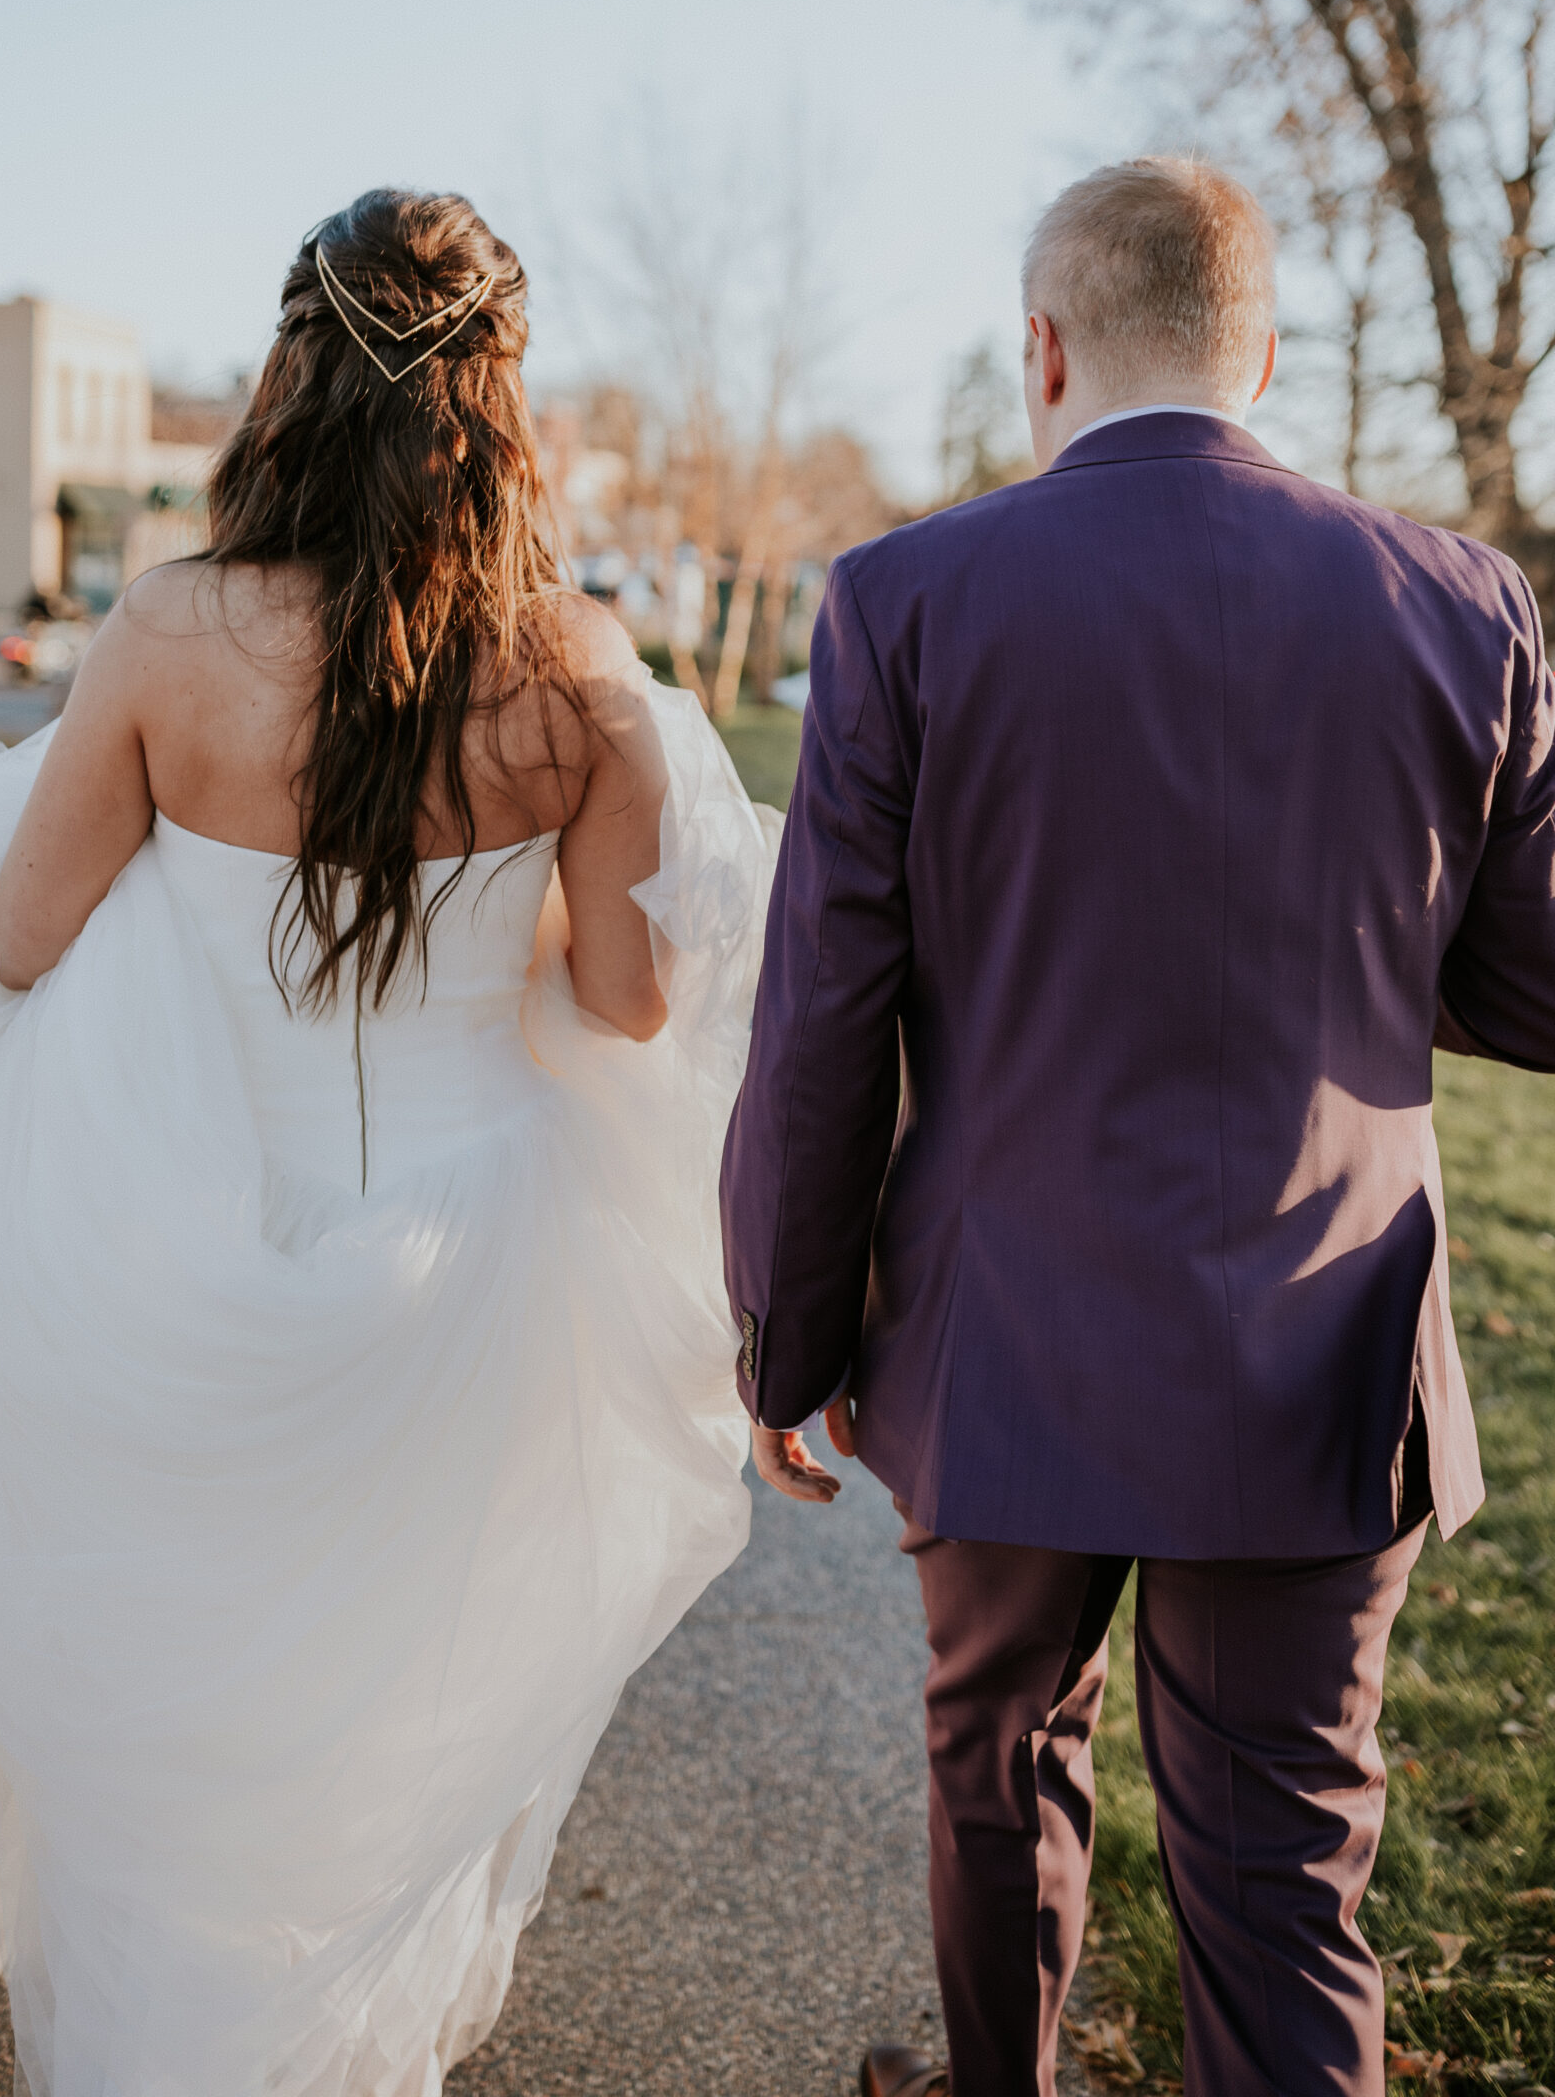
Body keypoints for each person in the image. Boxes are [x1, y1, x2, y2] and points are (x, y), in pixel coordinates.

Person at [0, 190, 772, 2097]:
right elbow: (624, 1001)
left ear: (290, 372)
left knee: (161, 1721)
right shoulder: (576, 665)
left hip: (160, 1246)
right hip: (466, 1271)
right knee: (376, 1721)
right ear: (509, 397)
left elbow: (22, 938)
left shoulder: (174, 630)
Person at [721, 158, 1555, 2097]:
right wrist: (1343, 925)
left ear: (1042, 349)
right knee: (1283, 1862)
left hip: (1003, 1331)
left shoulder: (907, 597)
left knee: (999, 1762)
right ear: (1263, 352)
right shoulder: (1463, 603)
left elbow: (826, 1010)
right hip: (1325, 1343)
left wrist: (789, 1329)